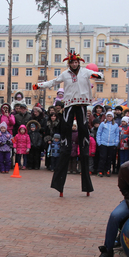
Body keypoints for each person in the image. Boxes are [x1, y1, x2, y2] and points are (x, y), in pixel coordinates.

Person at [35, 52, 103, 195]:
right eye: (72, 62)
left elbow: (98, 75)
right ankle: (65, 143)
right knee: (66, 132)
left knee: (83, 132)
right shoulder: (65, 74)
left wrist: (98, 75)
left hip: (83, 104)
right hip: (69, 104)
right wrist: (39, 85)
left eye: (76, 62)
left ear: (79, 62)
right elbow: (53, 82)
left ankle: (83, 143)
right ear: (69, 63)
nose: (74, 64)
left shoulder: (85, 72)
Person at [96, 112, 119, 177]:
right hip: (103, 143)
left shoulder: (115, 125)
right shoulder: (103, 124)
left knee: (109, 158)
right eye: (108, 116)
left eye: (110, 116)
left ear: (112, 117)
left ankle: (108, 170)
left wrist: (116, 143)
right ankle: (100, 170)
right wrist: (99, 142)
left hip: (112, 144)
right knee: (102, 158)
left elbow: (117, 134)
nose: (109, 118)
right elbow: (99, 133)